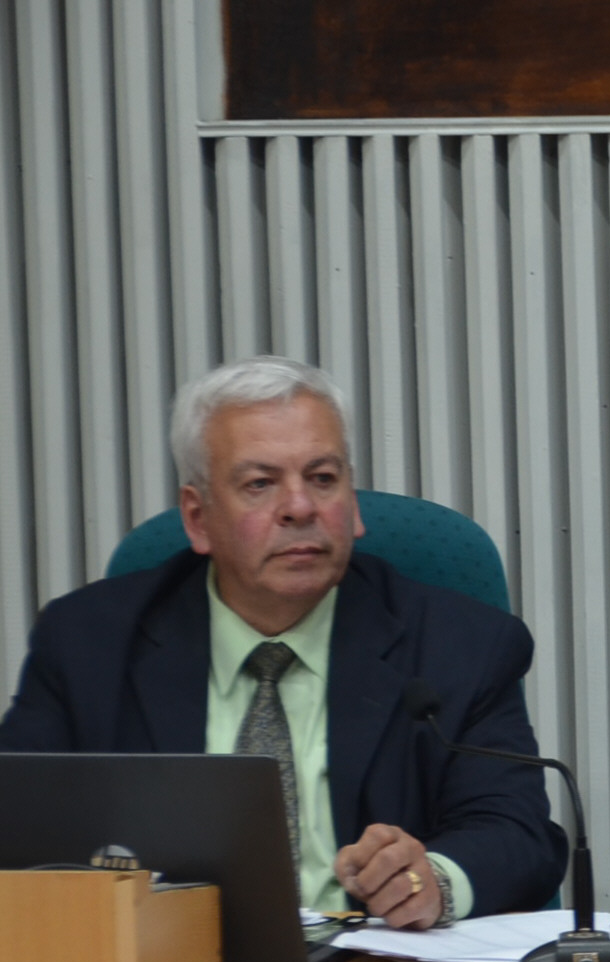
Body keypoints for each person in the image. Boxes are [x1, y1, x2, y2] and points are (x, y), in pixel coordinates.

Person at [0, 356, 566, 928]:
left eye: (323, 479)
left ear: (353, 505)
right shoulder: (86, 645)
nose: (299, 507)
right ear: (198, 518)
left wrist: (434, 881)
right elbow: (16, 830)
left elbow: (517, 834)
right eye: (260, 484)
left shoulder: (461, 645)